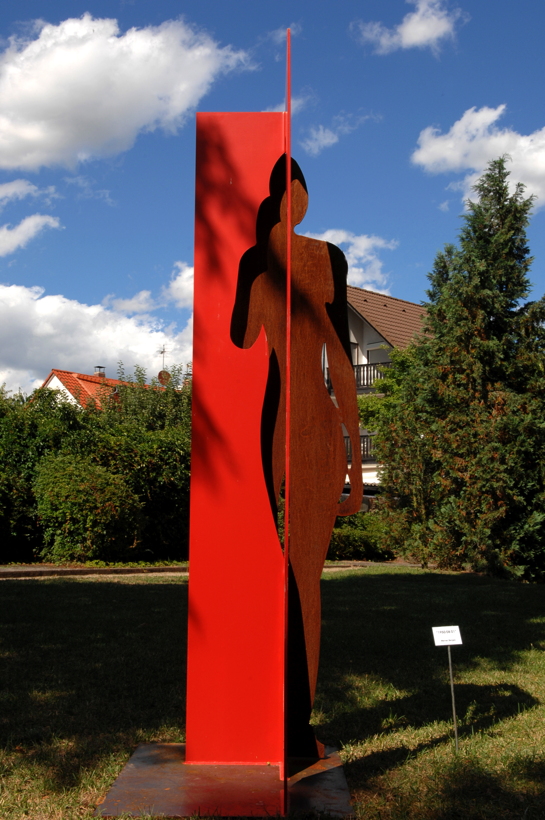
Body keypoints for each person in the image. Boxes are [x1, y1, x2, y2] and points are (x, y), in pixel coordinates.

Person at [231, 156, 362, 758]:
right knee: (275, 570)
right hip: (277, 425)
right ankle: (273, 711)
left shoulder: (322, 258)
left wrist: (357, 467)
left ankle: (297, 720)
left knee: (305, 576)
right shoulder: (258, 275)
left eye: (302, 188)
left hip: (314, 430)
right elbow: (235, 343)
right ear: (281, 200)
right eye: (291, 191)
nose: (298, 200)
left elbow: (339, 355)